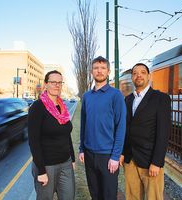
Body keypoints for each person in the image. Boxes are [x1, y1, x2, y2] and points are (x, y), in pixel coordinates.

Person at [119, 63, 171, 200]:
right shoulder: (128, 99)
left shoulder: (161, 98)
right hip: (130, 160)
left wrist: (157, 162)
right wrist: (123, 153)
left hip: (150, 161)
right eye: (135, 73)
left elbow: (163, 133)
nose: (139, 75)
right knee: (132, 197)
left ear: (149, 76)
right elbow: (126, 129)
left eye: (142, 72)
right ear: (132, 77)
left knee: (153, 197)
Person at [79, 56, 126, 200]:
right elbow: (83, 124)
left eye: (103, 68)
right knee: (95, 194)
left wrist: (115, 156)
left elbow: (121, 127)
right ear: (92, 71)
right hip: (89, 155)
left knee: (108, 195)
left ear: (108, 71)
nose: (99, 71)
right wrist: (82, 149)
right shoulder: (86, 96)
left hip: (107, 156)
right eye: (96, 68)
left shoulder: (116, 95)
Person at [28, 70, 75, 200]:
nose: (57, 85)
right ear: (45, 84)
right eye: (53, 82)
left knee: (69, 197)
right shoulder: (37, 107)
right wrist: (41, 170)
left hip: (65, 163)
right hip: (47, 165)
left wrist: (73, 158)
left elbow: (66, 134)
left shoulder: (62, 106)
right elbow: (33, 141)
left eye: (59, 82)